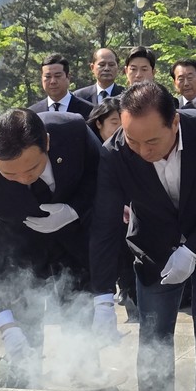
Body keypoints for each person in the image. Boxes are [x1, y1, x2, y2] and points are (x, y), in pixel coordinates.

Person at [90, 82, 196, 391]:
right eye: (133, 140)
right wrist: (103, 297)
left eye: (152, 141)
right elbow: (104, 225)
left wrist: (192, 250)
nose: (144, 152)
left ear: (174, 122)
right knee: (154, 337)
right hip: (154, 248)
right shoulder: (115, 152)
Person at [0, 108, 101, 379]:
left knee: (81, 329)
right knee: (24, 344)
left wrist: (73, 209)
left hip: (75, 245)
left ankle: (89, 383)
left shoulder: (72, 130)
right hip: (20, 253)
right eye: (11, 175)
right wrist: (4, 323)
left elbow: (102, 178)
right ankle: (25, 386)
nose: (24, 178)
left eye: (33, 168)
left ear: (46, 142)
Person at [88, 97, 137, 321]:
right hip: (95, 219)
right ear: (99, 123)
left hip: (127, 216)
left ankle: (133, 307)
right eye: (114, 122)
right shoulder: (88, 149)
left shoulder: (131, 145)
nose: (120, 128)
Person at [29, 54, 94, 120]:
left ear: (68, 77)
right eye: (48, 77)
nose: (53, 81)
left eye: (57, 76)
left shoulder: (89, 110)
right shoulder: (33, 113)